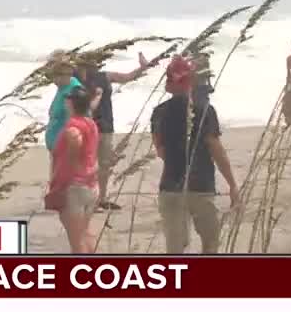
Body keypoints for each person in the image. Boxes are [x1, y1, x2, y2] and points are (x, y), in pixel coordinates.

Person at [151, 56, 241, 254]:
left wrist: (178, 161)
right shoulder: (205, 111)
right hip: (201, 185)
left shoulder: (158, 112)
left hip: (170, 186)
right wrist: (232, 184)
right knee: (210, 243)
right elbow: (215, 147)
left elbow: (161, 150)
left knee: (174, 250)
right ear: (191, 82)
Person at [74, 52, 154, 211]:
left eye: (93, 62)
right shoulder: (76, 79)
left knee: (105, 165)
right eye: (87, 63)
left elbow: (127, 77)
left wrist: (142, 68)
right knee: (88, 165)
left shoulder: (104, 76)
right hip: (87, 126)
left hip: (106, 126)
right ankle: (88, 200)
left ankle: (101, 199)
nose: (92, 66)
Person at [45, 87, 100, 252]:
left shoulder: (73, 127)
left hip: (75, 186)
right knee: (85, 233)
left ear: (70, 103)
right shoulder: (91, 123)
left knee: (77, 242)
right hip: (91, 184)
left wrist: (57, 186)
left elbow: (73, 146)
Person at [44, 54, 84, 179]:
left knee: (63, 181)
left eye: (55, 77)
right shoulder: (63, 87)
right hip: (56, 145)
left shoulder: (74, 90)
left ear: (65, 75)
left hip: (66, 147)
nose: (53, 81)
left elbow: (78, 121)